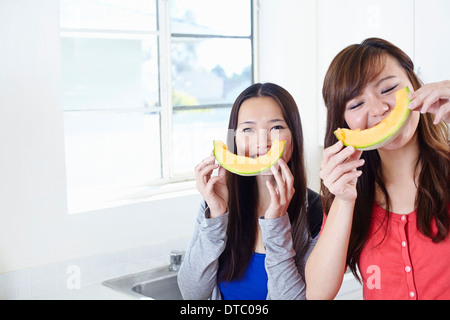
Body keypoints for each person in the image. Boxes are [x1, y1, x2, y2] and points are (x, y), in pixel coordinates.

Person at [305, 38, 450, 300]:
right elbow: (318, 293)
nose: (379, 109)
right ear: (345, 123)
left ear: (415, 86)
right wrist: (345, 200)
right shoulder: (346, 195)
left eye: (389, 88)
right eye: (356, 104)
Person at [177, 82, 323, 300]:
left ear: (294, 136)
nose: (262, 142)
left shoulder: (318, 212)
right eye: (247, 129)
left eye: (276, 128)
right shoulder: (216, 201)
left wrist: (276, 225)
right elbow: (192, 295)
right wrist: (217, 216)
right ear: (233, 139)